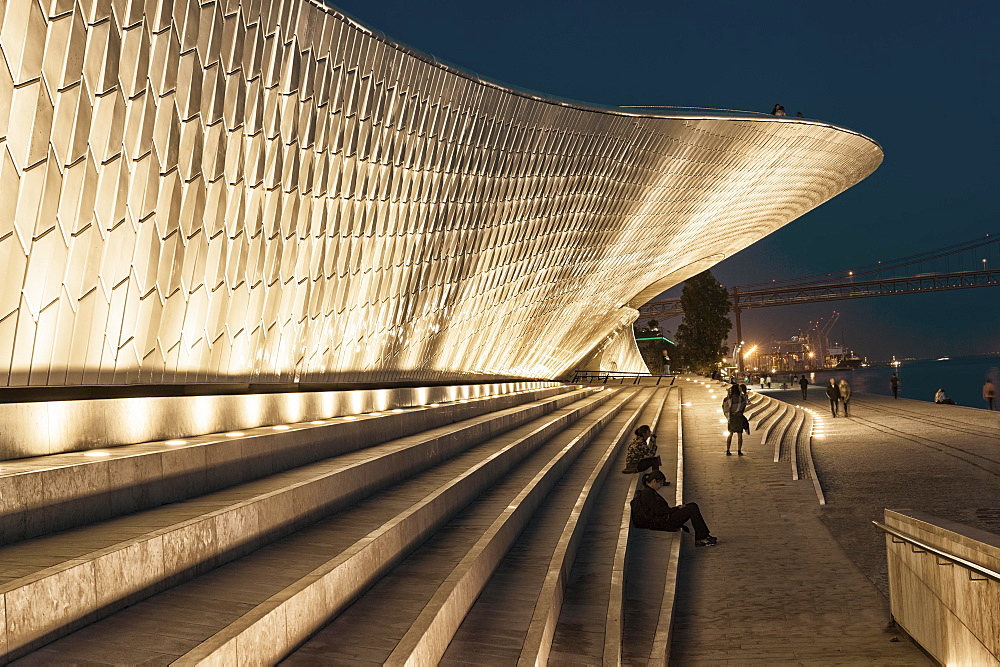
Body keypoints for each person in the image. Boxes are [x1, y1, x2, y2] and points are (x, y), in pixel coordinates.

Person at [630, 470, 718, 547]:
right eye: (660, 483)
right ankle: (701, 538)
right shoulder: (648, 494)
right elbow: (660, 511)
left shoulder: (648, 492)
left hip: (662, 519)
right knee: (692, 508)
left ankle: (703, 535)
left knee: (692, 507)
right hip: (662, 522)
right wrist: (677, 509)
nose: (660, 486)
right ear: (654, 481)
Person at [723, 384, 747, 456]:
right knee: (740, 434)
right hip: (739, 417)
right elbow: (744, 403)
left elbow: (724, 408)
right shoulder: (741, 398)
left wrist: (728, 394)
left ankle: (728, 450)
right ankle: (739, 451)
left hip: (732, 418)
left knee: (730, 434)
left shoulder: (728, 399)